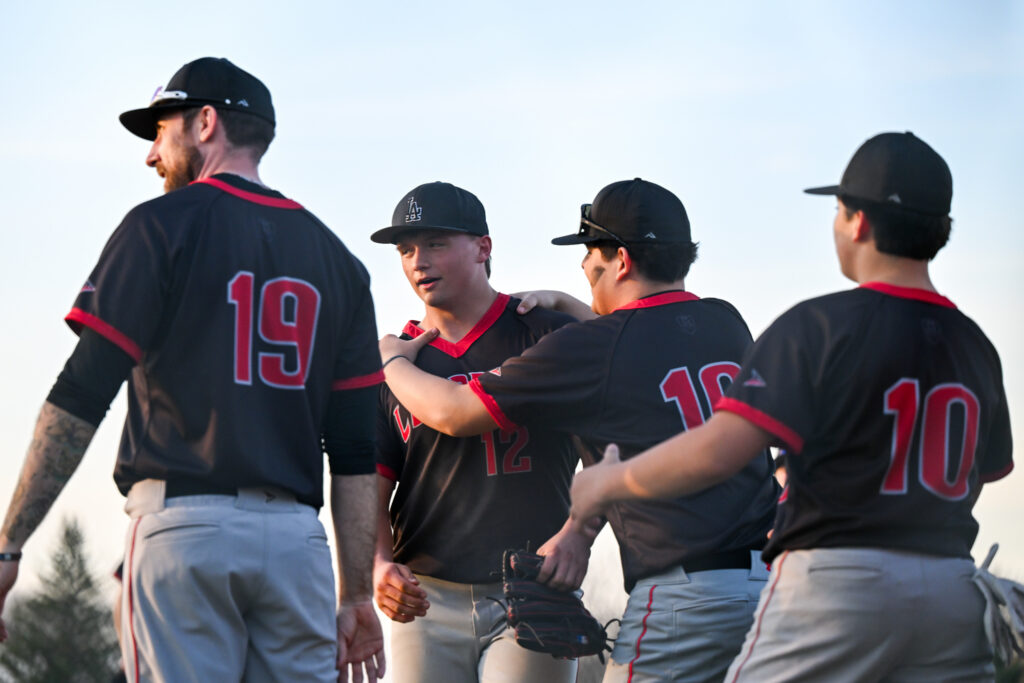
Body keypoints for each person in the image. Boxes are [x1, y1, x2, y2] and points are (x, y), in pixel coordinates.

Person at [570, 133, 1014, 681]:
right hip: (953, 588)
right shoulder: (973, 343)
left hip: (840, 580)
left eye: (838, 209)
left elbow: (718, 451)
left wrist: (609, 482)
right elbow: (985, 472)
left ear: (858, 222)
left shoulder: (819, 325)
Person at [0, 57, 385, 683]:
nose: (152, 154)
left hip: (185, 529)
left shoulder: (160, 225)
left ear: (205, 123)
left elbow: (81, 393)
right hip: (297, 543)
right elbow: (354, 451)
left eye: (161, 130)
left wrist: (9, 544)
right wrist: (357, 594)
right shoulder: (340, 261)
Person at [379, 178, 779, 682]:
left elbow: (456, 411)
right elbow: (641, 347)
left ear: (621, 261)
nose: (585, 266)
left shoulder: (590, 346)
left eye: (591, 252)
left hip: (680, 594)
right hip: (766, 587)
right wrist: (570, 306)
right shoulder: (725, 321)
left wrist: (390, 362)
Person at [369, 181, 584, 683]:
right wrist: (377, 563)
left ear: (483, 247)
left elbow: (610, 445)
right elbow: (368, 489)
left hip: (533, 585)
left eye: (436, 243)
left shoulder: (545, 332)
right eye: (405, 249)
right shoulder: (390, 361)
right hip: (427, 597)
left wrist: (580, 533)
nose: (419, 261)